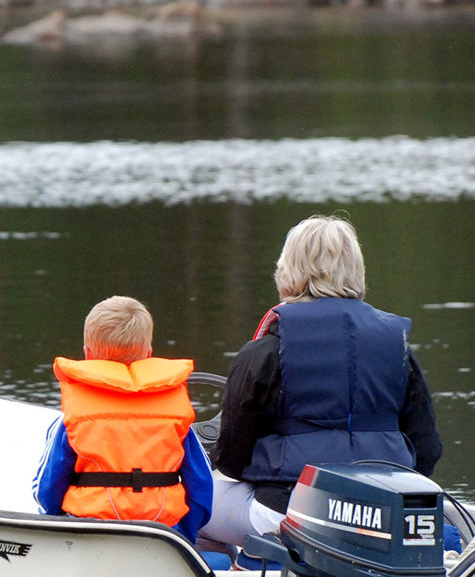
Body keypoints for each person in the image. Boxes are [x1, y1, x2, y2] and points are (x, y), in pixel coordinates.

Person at [206, 215, 446, 553]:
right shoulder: (397, 346)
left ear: (288, 271)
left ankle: (244, 570)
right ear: (356, 270)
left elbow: (231, 459)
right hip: (381, 514)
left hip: (285, 513)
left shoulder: (266, 350)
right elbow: (426, 452)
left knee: (194, 497)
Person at [32, 296, 213, 543]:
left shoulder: (71, 420)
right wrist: (185, 536)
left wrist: (56, 524)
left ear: (87, 354)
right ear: (148, 354)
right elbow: (202, 487)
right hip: (163, 534)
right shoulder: (176, 418)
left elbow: (48, 488)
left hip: (87, 534)